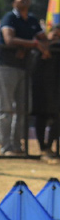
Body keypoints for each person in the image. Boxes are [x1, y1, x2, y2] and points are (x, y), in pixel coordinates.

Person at [0, 0, 48, 157]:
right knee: (5, 107)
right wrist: (33, 45)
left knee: (23, 108)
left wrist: (43, 45)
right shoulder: (9, 17)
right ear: (14, 2)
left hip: (25, 68)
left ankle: (17, 146)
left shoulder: (32, 19)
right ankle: (6, 147)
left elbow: (44, 39)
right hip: (7, 67)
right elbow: (8, 39)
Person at [31, 20, 60, 161]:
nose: (56, 40)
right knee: (41, 117)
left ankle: (49, 146)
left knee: (57, 118)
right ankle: (43, 148)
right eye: (54, 36)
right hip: (41, 89)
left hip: (56, 90)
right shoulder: (40, 50)